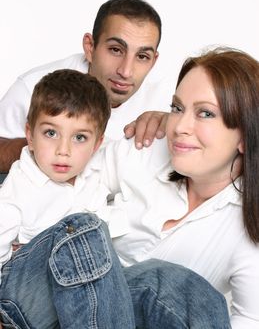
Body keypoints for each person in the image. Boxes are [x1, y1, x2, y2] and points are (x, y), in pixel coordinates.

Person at [0, 69, 231, 328]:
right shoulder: (21, 182)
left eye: (79, 138)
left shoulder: (97, 166)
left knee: (179, 285)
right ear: (30, 136)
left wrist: (170, 120)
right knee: (85, 229)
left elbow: (130, 147)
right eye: (51, 134)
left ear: (96, 143)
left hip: (85, 301)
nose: (63, 151)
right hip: (21, 299)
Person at [90, 47, 259, 328]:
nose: (179, 126)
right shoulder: (148, 146)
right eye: (177, 108)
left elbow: (251, 318)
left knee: (185, 290)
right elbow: (71, 176)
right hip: (65, 296)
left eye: (205, 113)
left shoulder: (248, 230)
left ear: (245, 136)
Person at [0, 0, 172, 175]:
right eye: (115, 50)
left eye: (142, 56)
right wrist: (44, 145)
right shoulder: (33, 86)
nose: (126, 71)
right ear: (90, 47)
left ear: (153, 61)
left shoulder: (168, 102)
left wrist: (174, 127)